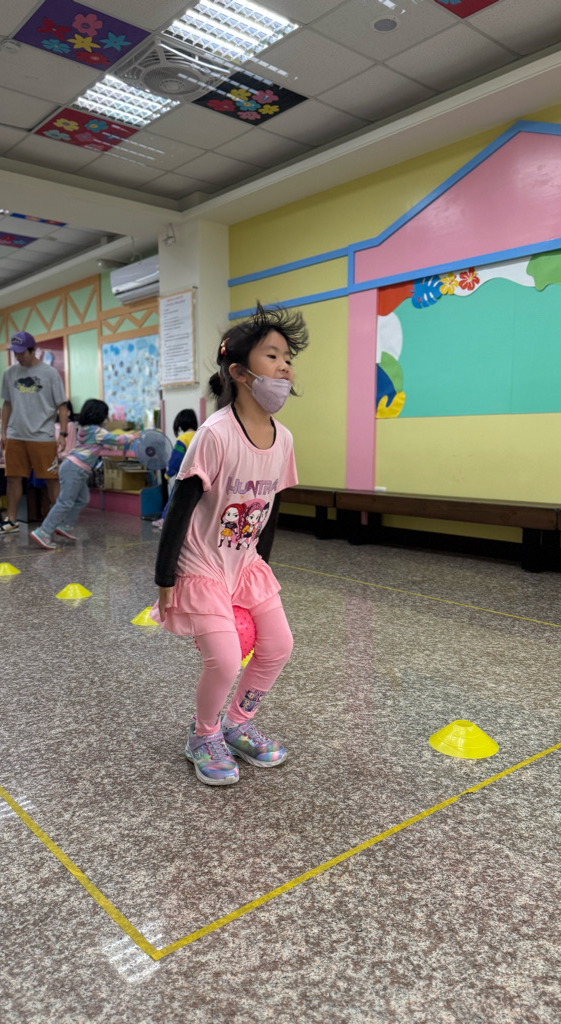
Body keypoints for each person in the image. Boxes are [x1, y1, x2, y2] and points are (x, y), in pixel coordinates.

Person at [151, 304, 307, 787]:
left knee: (279, 645)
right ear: (239, 372)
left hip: (245, 564)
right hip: (201, 565)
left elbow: (271, 509)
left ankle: (237, 724)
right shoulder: (214, 434)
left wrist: (261, 567)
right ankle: (203, 736)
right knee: (222, 659)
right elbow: (179, 507)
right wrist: (165, 579)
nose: (284, 367)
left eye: (288, 358)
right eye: (272, 356)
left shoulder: (284, 439)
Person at [30, 399, 138, 550]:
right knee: (65, 502)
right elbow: (117, 440)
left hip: (74, 467)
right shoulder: (97, 431)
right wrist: (133, 436)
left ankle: (66, 525)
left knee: (82, 499)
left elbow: (94, 443)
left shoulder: (85, 429)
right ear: (100, 416)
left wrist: (105, 443)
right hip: (75, 468)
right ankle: (43, 531)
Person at [0, 331, 69, 534]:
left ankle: (58, 521)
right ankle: (11, 520)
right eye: (15, 353)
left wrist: (63, 434)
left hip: (42, 435)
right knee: (13, 478)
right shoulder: (10, 373)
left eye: (22, 353)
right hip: (16, 435)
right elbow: (7, 404)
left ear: (33, 350)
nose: (18, 357)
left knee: (51, 479)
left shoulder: (50, 373)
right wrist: (3, 433)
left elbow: (62, 406)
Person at [155, 408, 198, 526]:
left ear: (180, 424)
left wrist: (168, 474)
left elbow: (176, 459)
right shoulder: (199, 435)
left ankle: (165, 520)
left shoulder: (183, 439)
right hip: (198, 476)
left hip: (184, 476)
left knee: (174, 499)